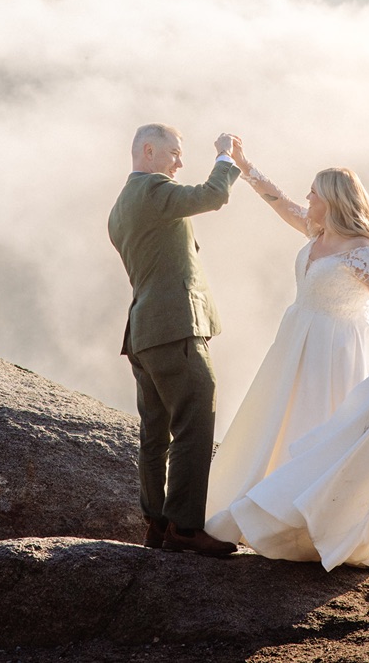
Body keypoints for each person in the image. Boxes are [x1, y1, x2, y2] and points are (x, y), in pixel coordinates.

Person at [204, 142, 369, 570]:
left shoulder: (362, 248)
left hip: (336, 349)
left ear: (332, 199)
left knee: (322, 426)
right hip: (297, 340)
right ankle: (270, 517)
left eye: (314, 193)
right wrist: (243, 165)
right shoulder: (316, 232)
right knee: (280, 422)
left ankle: (314, 526)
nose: (307, 199)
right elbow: (276, 201)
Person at [108, 123, 242, 557]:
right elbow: (211, 196)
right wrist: (226, 157)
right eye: (175, 153)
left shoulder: (120, 207)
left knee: (156, 431)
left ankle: (156, 524)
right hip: (174, 327)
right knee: (195, 420)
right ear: (149, 150)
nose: (180, 162)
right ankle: (185, 528)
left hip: (143, 333)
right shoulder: (152, 191)